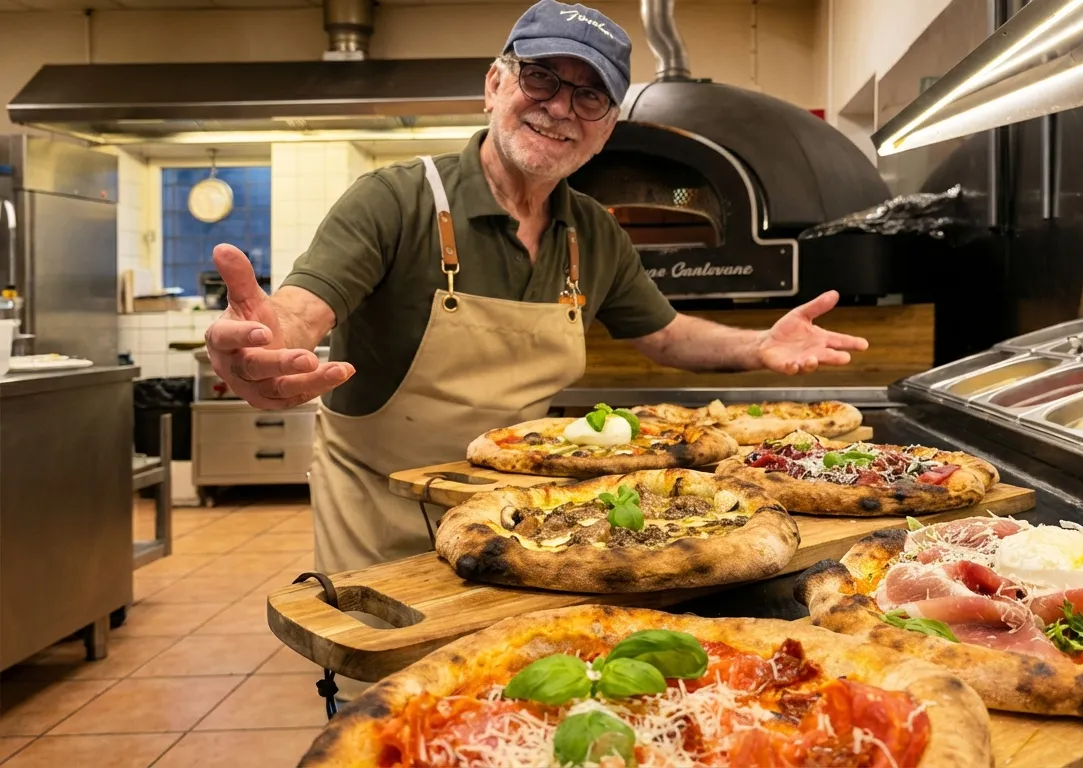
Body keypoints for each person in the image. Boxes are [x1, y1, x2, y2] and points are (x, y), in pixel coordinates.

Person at [203, 0, 869, 576]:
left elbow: (666, 335)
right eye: (541, 77)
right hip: (383, 510)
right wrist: (269, 340)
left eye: (590, 96)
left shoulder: (593, 231)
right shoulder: (396, 200)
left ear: (606, 129)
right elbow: (302, 313)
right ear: (495, 84)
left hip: (531, 514)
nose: (559, 108)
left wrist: (760, 345)